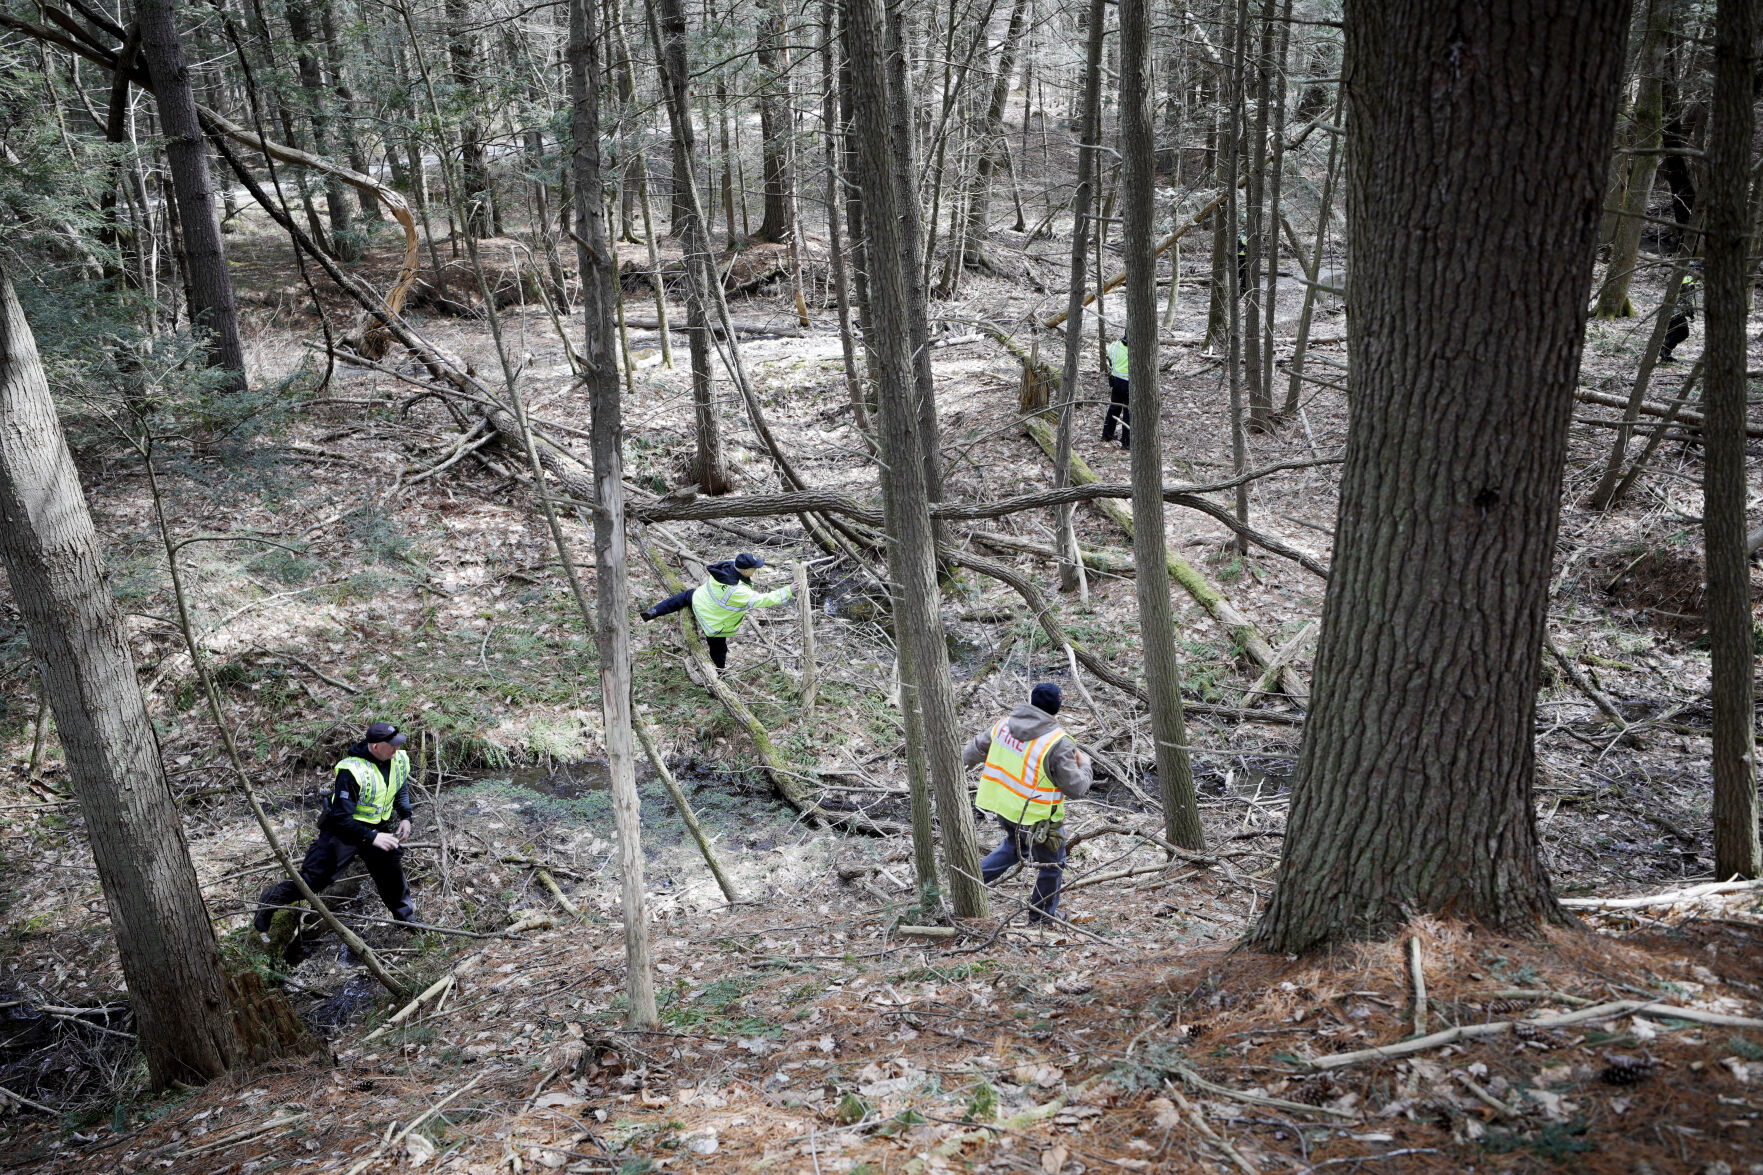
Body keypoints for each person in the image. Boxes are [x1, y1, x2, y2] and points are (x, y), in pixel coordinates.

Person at [255, 721, 415, 933]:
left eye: (398, 743)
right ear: (376, 746)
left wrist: (406, 816)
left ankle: (407, 921)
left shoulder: (398, 759)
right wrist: (373, 836)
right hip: (343, 831)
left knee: (392, 873)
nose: (397, 748)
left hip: (376, 828)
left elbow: (400, 785)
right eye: (392, 744)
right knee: (313, 880)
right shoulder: (352, 771)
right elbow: (341, 817)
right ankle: (269, 901)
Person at [962, 683, 1093, 923]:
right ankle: (1041, 917)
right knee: (1052, 865)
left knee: (1015, 847)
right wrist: (1085, 765)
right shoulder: (1058, 742)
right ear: (1057, 708)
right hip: (1039, 819)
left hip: (1004, 808)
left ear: (1031, 702)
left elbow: (970, 753)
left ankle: (967, 883)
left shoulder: (1002, 725)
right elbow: (1076, 788)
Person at [639, 551, 793, 670]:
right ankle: (719, 674)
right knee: (719, 648)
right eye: (754, 568)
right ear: (745, 571)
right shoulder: (737, 591)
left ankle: (653, 611)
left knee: (683, 596)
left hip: (699, 600)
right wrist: (788, 590)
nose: (756, 570)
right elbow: (763, 600)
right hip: (713, 621)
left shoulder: (726, 566)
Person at [1660, 264, 1700, 363]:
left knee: (1673, 333)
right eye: (1698, 270)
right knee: (1683, 333)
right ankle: (1664, 352)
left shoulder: (1684, 278)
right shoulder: (1687, 279)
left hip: (1672, 311)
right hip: (1676, 312)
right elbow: (1685, 299)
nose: (1699, 273)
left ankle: (1665, 355)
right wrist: (1690, 314)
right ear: (1693, 270)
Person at [1102, 333, 1131, 449]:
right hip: (1129, 383)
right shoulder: (1136, 348)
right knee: (1128, 412)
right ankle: (1127, 442)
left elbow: (1109, 359)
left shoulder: (1115, 345)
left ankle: (1107, 434)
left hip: (1116, 381)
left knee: (1114, 408)